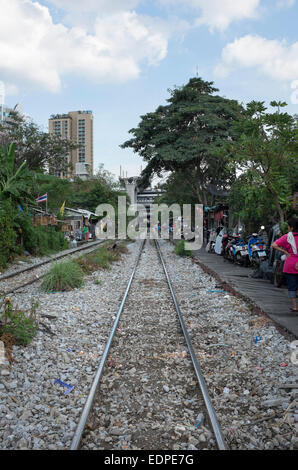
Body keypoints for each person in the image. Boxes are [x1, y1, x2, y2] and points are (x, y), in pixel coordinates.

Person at [272, 217, 298, 312]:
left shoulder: (287, 237)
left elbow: (274, 245)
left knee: (292, 286)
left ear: (291, 228)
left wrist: (285, 252)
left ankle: (295, 306)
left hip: (290, 264)